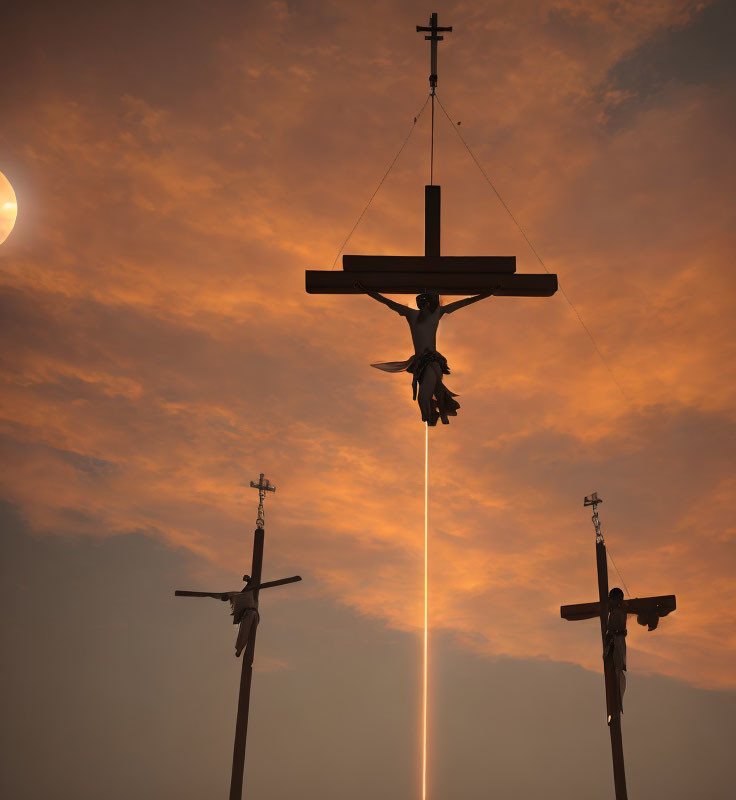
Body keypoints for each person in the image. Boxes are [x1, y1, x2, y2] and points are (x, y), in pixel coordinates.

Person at [357, 284, 495, 425]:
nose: (423, 307)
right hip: (420, 363)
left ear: (429, 304)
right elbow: (388, 302)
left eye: (425, 304)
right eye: (421, 304)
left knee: (423, 398)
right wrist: (367, 291)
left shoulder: (436, 313)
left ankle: (433, 414)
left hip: (432, 361)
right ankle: (433, 414)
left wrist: (485, 294)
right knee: (425, 398)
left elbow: (465, 302)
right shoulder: (412, 314)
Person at [604, 587, 627, 719]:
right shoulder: (611, 611)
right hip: (612, 645)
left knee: (616, 671)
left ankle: (616, 706)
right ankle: (614, 705)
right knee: (612, 670)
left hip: (617, 644)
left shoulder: (620, 611)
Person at [225, 575, 260, 659]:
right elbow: (244, 592)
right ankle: (240, 649)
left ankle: (240, 649)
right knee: (245, 631)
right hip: (251, 613)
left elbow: (246, 590)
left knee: (247, 631)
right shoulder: (247, 591)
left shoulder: (249, 590)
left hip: (252, 613)